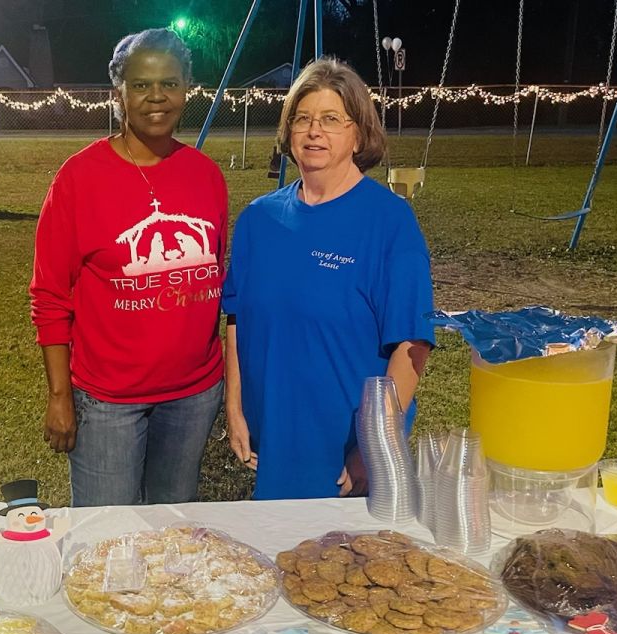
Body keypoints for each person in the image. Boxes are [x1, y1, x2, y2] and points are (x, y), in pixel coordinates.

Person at [29, 28, 228, 506]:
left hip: (193, 395)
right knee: (106, 537)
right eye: (140, 85)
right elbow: (50, 297)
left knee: (170, 534)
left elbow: (214, 273)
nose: (156, 97)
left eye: (169, 83)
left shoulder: (206, 176)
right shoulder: (79, 178)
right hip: (108, 402)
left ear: (187, 88)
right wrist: (60, 397)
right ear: (117, 91)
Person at [221, 58, 435, 500]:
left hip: (346, 454)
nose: (314, 131)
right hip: (277, 437)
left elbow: (411, 347)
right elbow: (237, 318)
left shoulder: (390, 222)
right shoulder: (258, 220)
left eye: (332, 119)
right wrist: (235, 406)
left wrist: (372, 448)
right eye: (303, 119)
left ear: (358, 134)